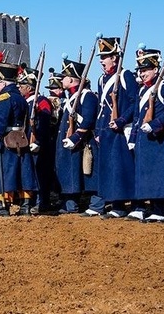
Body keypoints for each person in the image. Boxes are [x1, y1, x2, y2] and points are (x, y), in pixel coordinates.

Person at [129, 46, 164, 222]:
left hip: (162, 140)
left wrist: (155, 124)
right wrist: (133, 138)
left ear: (156, 69)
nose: (142, 74)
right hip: (146, 140)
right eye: (140, 70)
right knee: (151, 177)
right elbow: (137, 116)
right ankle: (157, 209)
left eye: (146, 70)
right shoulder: (142, 90)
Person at [94, 35, 136, 218]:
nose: (102, 61)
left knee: (121, 168)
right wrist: (97, 129)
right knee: (110, 168)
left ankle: (127, 205)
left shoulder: (125, 76)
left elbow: (135, 102)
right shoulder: (102, 80)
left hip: (120, 128)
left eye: (105, 57)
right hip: (106, 129)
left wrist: (121, 120)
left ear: (115, 58)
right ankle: (115, 203)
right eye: (101, 57)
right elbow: (101, 108)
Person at [0, 61, 33, 216]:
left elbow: (1, 120)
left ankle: (3, 205)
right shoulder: (20, 97)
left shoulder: (5, 97)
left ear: (2, 81)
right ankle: (25, 204)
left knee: (6, 172)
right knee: (23, 172)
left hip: (7, 138)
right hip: (20, 136)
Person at [57, 59, 98, 214]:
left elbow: (88, 120)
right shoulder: (71, 97)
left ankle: (92, 204)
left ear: (72, 79)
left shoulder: (87, 96)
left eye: (64, 77)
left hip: (81, 141)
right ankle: (69, 204)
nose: (61, 79)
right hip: (70, 141)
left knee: (86, 173)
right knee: (69, 172)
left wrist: (74, 138)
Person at [21, 67, 58, 215]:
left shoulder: (41, 101)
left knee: (40, 174)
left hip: (39, 144)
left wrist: (39, 141)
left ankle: (42, 202)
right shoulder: (25, 102)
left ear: (29, 88)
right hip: (27, 142)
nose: (19, 88)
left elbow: (44, 122)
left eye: (22, 86)